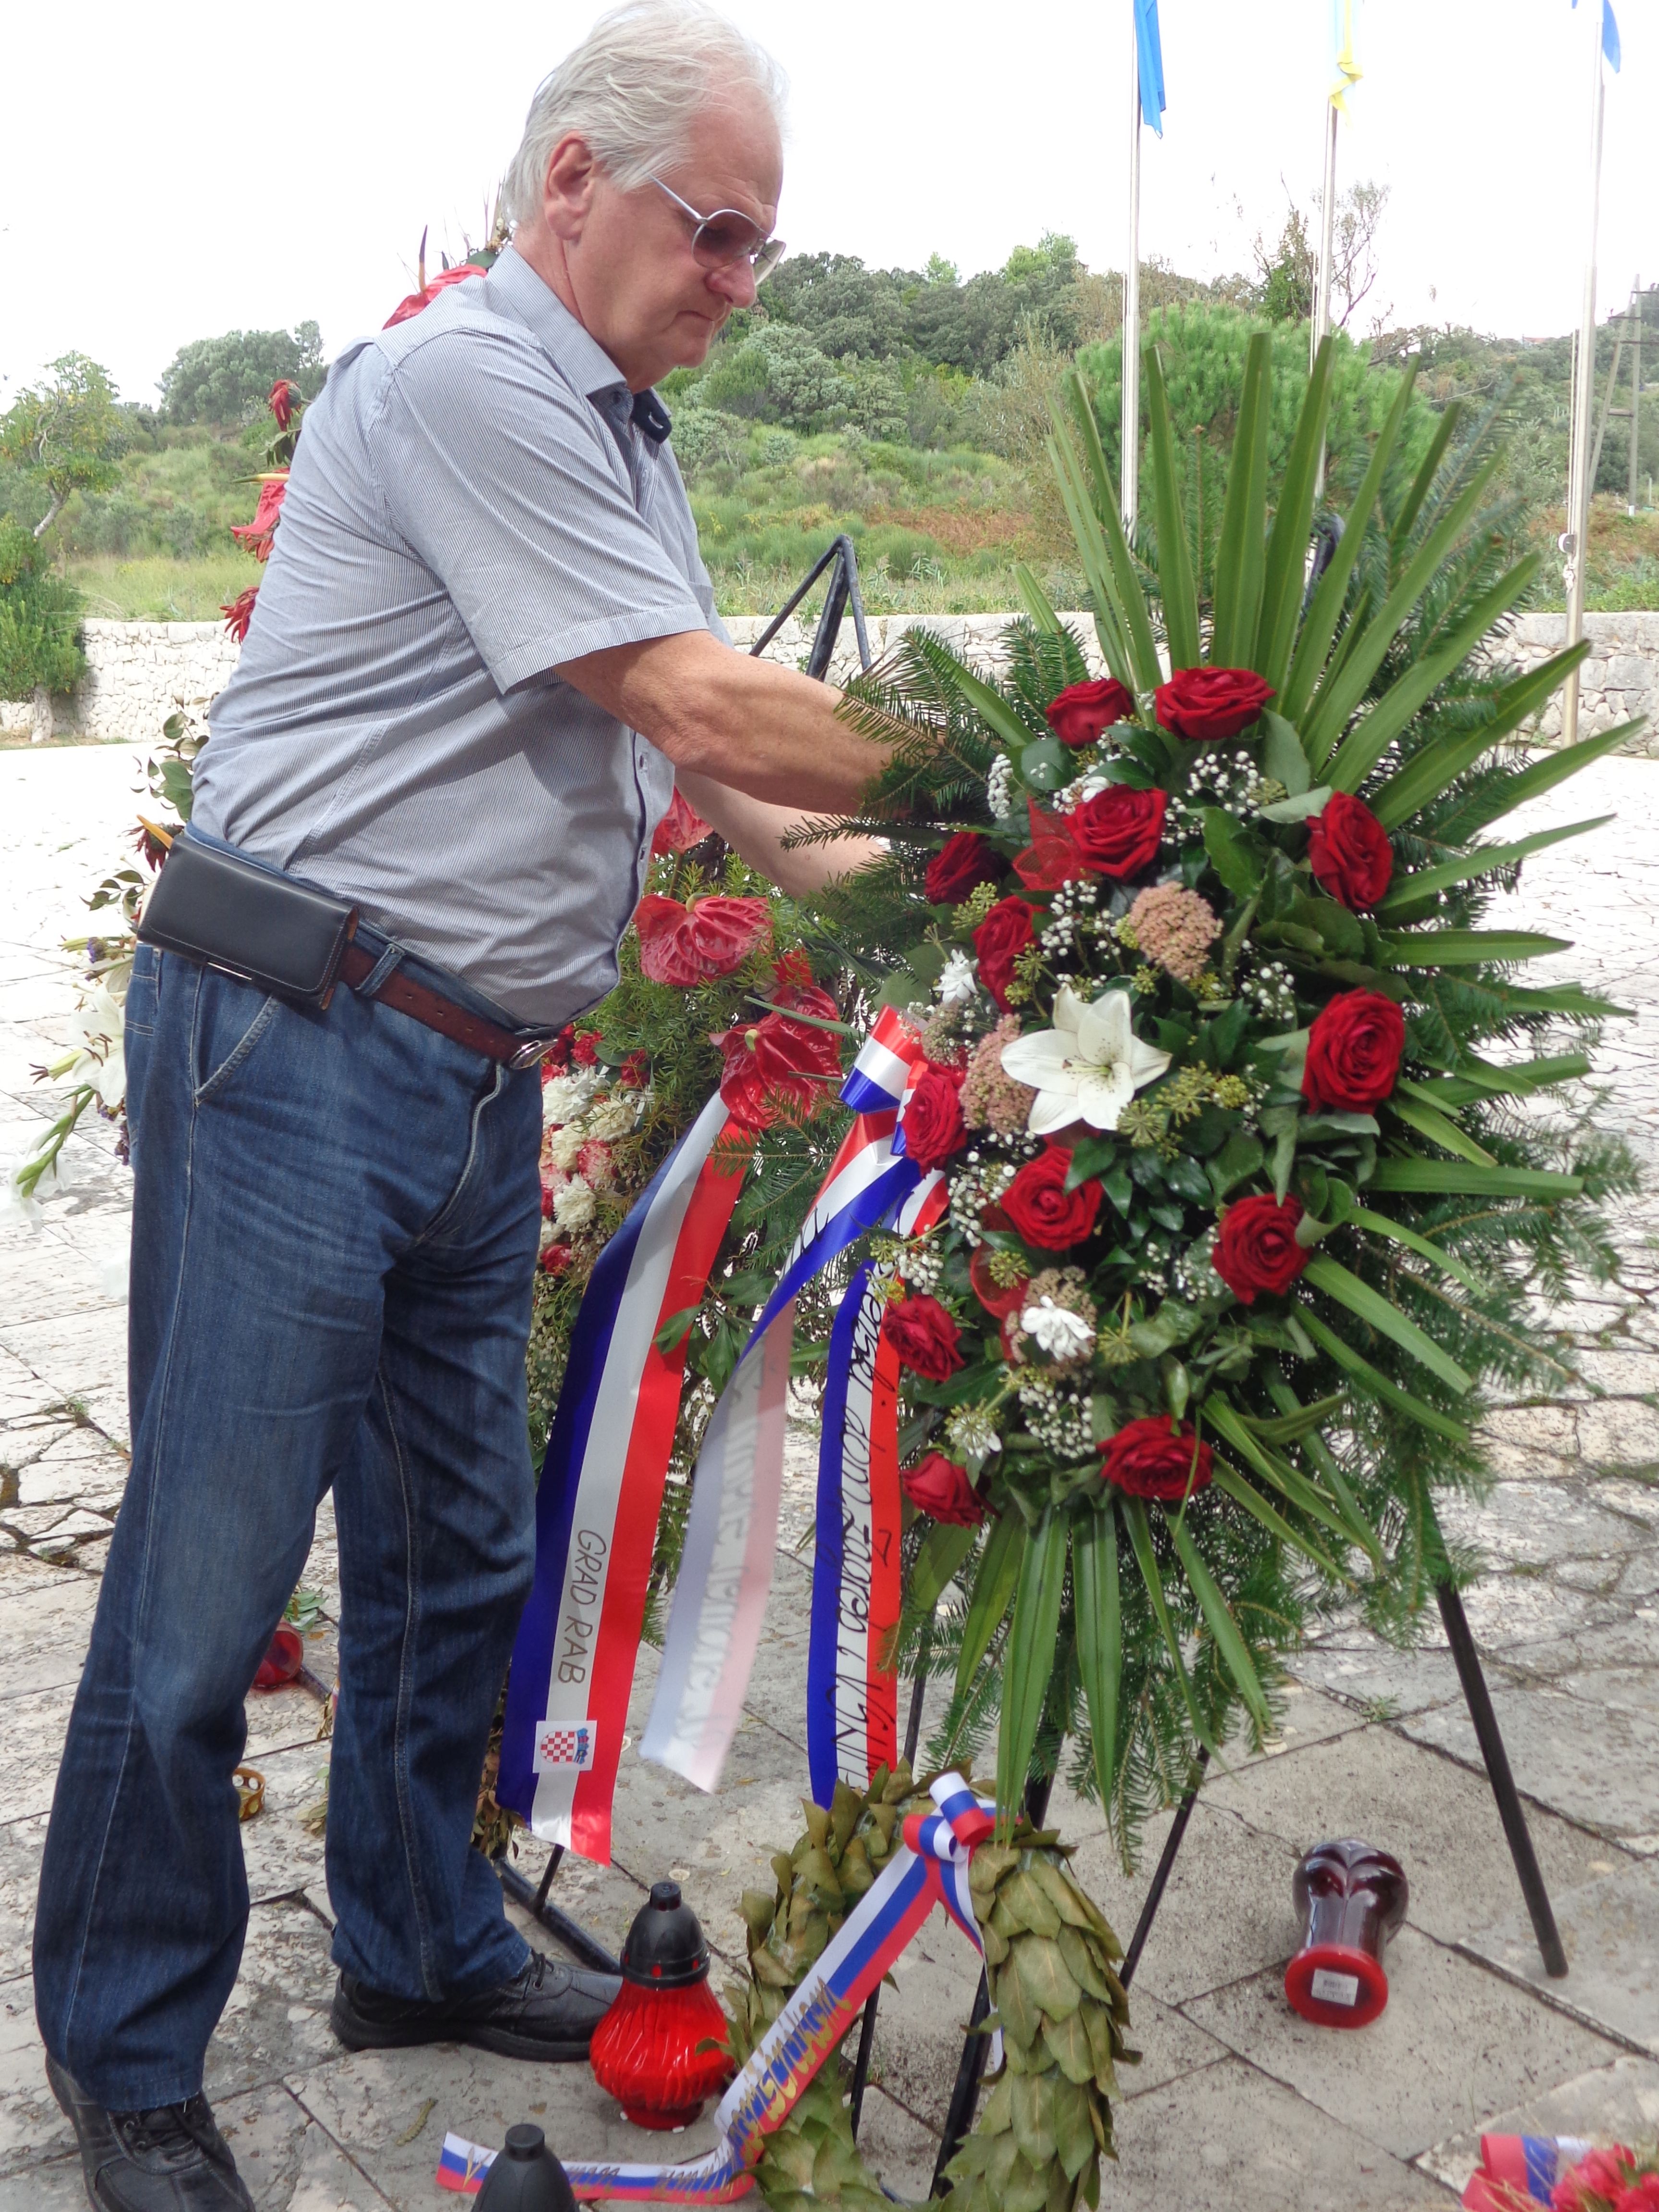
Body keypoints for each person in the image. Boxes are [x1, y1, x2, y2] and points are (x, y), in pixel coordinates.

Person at [34, 9, 893, 2206]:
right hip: (296, 1043)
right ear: (573, 181)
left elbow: (723, 782)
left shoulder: (622, 444)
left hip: (467, 1070)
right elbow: (704, 697)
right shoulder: (467, 382)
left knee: (454, 1554)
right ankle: (127, 2055)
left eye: (766, 250)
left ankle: (412, 1944)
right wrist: (1015, 765)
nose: (739, 281)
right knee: (212, 1581)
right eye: (718, 231)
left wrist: (1001, 897)